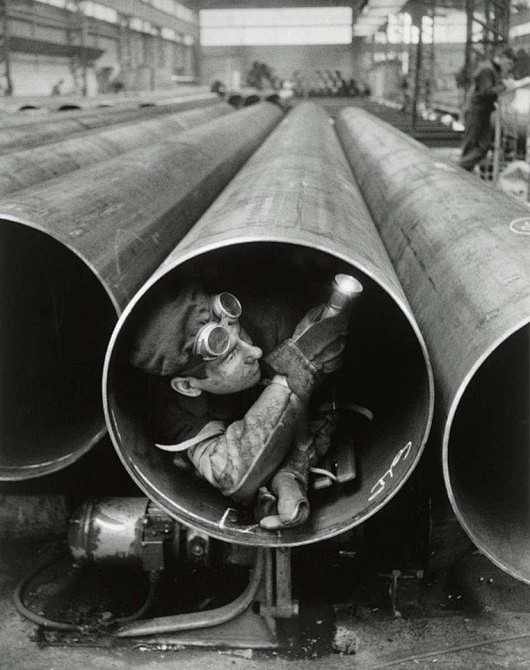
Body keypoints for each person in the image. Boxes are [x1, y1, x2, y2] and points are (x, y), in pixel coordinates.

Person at [129, 283, 350, 530]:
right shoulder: (171, 411)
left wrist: (295, 467)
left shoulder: (274, 317)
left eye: (241, 333)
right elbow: (232, 476)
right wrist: (296, 369)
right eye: (231, 356)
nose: (255, 351)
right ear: (188, 386)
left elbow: (327, 398)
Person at [459, 47, 516, 172]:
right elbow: (486, 92)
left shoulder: (493, 70)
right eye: (508, 63)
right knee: (471, 144)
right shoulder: (487, 69)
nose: (509, 67)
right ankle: (460, 171)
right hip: (476, 111)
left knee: (483, 146)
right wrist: (504, 86)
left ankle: (463, 170)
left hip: (484, 112)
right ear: (502, 57)